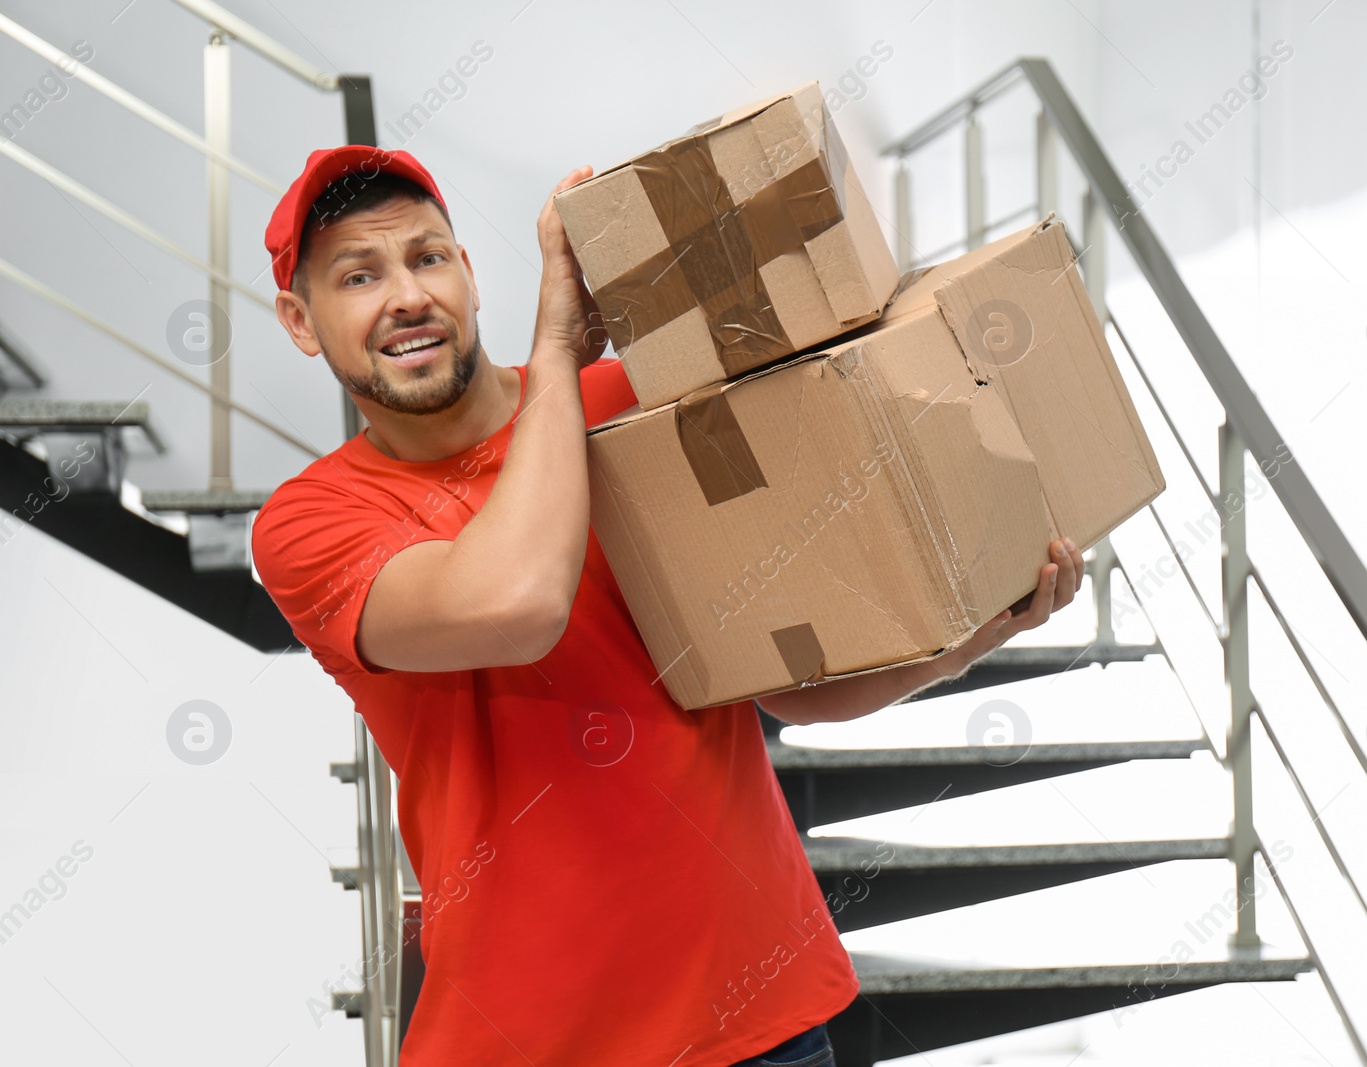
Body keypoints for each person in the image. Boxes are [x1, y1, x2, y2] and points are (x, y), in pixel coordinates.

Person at [249, 144, 1085, 1067]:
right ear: (300, 318)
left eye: (427, 256)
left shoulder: (636, 407)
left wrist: (960, 644)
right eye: (358, 275)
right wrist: (560, 351)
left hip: (759, 1015)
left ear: (470, 275)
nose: (406, 296)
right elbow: (519, 600)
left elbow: (788, 681)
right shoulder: (314, 521)